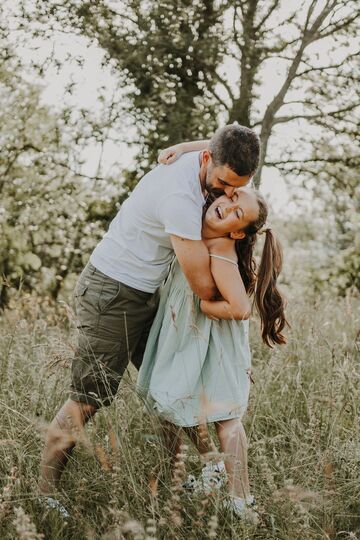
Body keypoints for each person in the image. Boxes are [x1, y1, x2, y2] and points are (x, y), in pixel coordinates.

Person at [38, 125, 260, 512]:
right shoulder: (179, 199)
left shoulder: (210, 160)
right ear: (208, 160)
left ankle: (210, 468)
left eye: (237, 188)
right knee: (89, 398)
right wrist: (228, 250)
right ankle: (44, 494)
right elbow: (205, 288)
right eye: (225, 184)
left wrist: (181, 143)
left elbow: (225, 137)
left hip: (146, 292)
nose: (227, 194)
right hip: (114, 292)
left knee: (172, 381)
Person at [137, 187, 287, 521]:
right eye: (232, 198)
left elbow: (240, 307)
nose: (228, 206)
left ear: (236, 232)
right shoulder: (197, 232)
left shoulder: (220, 247)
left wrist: (204, 305)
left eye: (238, 212)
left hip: (215, 342)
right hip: (188, 338)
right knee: (168, 404)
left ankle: (240, 500)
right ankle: (182, 480)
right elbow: (212, 153)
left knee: (226, 420)